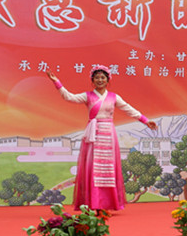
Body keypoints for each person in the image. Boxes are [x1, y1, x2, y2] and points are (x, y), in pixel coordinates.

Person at [46, 65, 157, 211]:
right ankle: (93, 202)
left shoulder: (114, 97)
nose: (100, 80)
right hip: (94, 134)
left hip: (108, 134)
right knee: (94, 167)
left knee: (108, 168)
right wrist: (56, 82)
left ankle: (108, 203)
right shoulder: (88, 96)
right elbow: (69, 97)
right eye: (97, 77)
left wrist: (145, 121)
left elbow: (128, 109)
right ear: (92, 80)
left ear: (108, 80)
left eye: (103, 77)